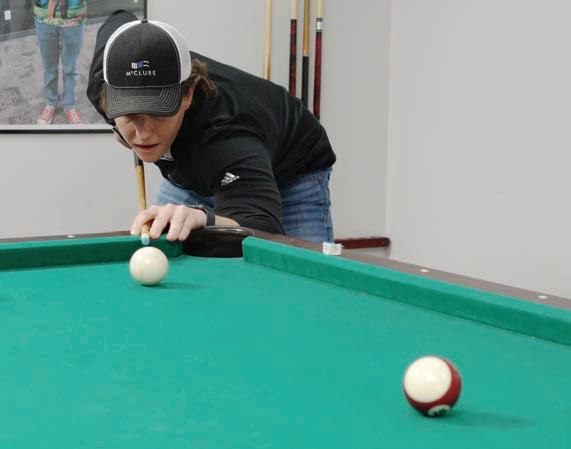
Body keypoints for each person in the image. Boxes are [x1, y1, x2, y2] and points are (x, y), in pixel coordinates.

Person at [87, 10, 336, 243]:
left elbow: (264, 229)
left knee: (299, 267)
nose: (143, 133)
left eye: (159, 112)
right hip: (202, 170)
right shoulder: (105, 81)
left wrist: (204, 218)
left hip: (292, 170)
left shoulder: (227, 137)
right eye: (130, 114)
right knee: (165, 246)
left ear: (188, 94)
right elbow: (119, 18)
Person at [34, 0, 86, 125]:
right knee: (49, 66)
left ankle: (69, 104)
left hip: (74, 15)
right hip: (44, 15)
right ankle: (51, 101)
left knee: (71, 67)